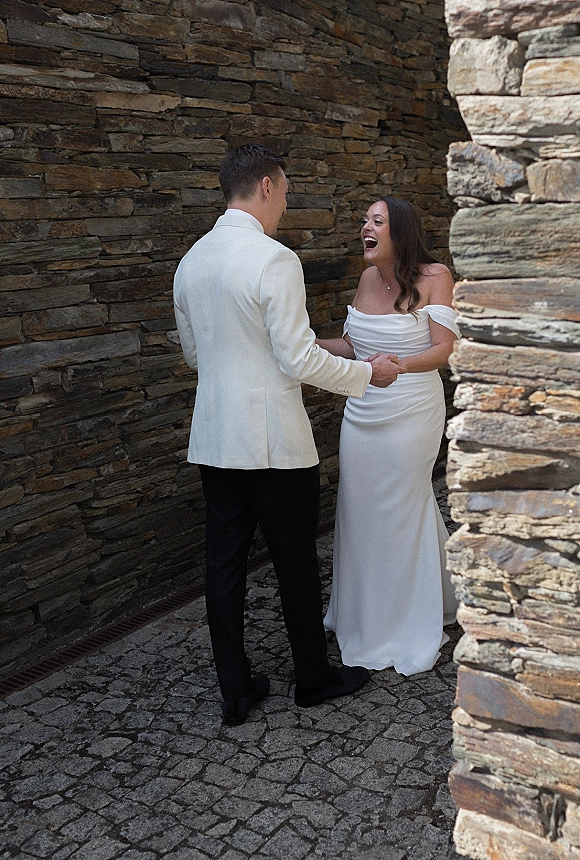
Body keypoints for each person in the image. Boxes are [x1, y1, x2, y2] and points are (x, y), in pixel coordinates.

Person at [173, 145, 403, 726]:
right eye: (286, 192)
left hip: (216, 440)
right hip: (273, 442)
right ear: (268, 187)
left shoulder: (191, 262)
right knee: (295, 561)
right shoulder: (274, 259)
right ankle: (312, 678)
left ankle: (236, 689)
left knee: (223, 566)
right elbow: (299, 357)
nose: (285, 207)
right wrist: (365, 375)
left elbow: (195, 354)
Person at [318, 196, 460, 676]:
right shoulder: (365, 280)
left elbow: (444, 350)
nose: (365, 227)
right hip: (363, 410)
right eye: (364, 220)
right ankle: (364, 613)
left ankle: (404, 621)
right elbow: (354, 347)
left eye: (376, 221)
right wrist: (306, 343)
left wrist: (396, 365)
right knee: (358, 506)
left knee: (402, 505)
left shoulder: (435, 277)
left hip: (412, 408)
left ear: (400, 231)